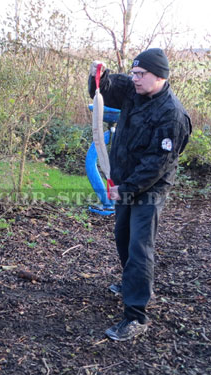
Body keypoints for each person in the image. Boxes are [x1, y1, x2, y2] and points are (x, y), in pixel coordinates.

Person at [88, 48, 192, 341]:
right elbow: (103, 90)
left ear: (159, 76)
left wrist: (127, 189)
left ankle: (136, 315)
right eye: (133, 73)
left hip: (149, 190)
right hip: (124, 183)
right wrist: (99, 74)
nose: (134, 79)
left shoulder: (172, 115)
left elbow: (156, 165)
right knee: (122, 235)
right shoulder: (135, 90)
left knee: (139, 246)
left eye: (140, 74)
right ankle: (131, 282)